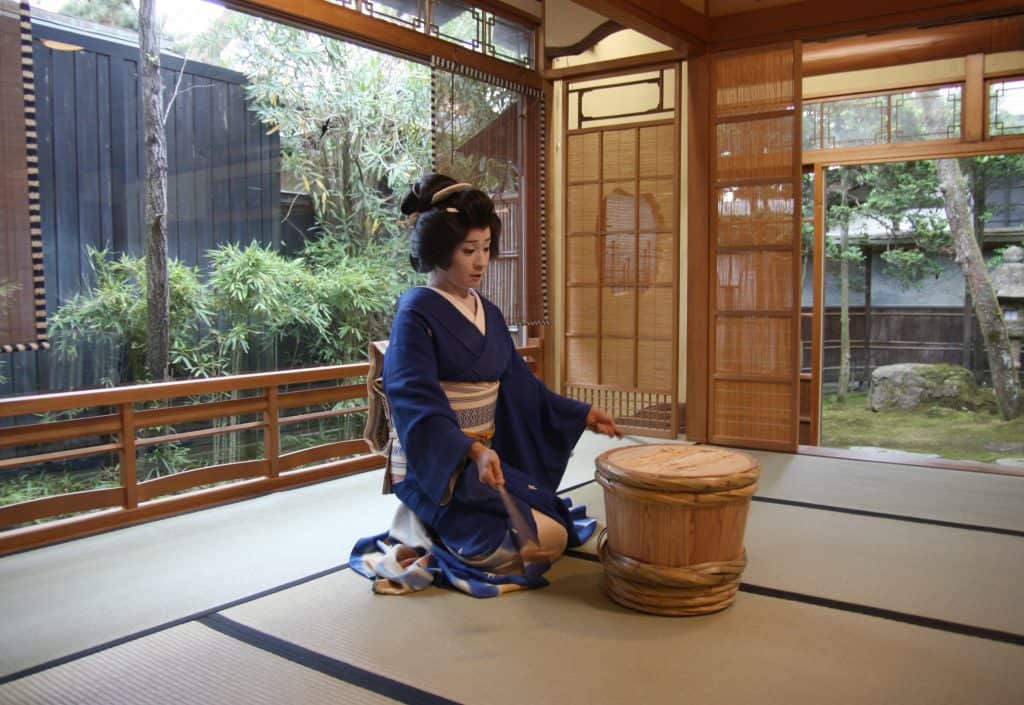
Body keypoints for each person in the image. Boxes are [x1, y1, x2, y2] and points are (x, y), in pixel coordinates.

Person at [350, 174, 621, 598]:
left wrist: (580, 413)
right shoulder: (415, 313)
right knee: (538, 539)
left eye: (486, 249)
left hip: (485, 459)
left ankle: (426, 531)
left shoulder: (488, 313)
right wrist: (469, 450)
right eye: (468, 251)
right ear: (439, 253)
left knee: (554, 527)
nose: (480, 262)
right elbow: (415, 403)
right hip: (444, 466)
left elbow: (520, 387)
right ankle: (424, 530)